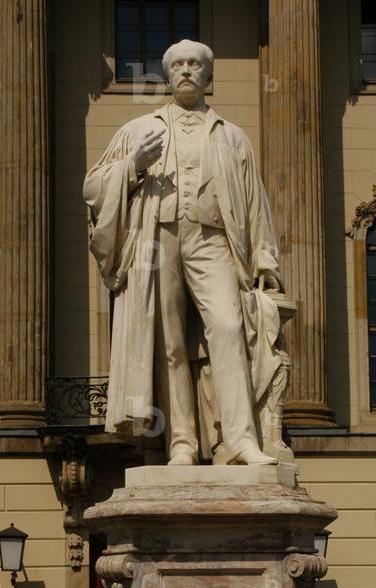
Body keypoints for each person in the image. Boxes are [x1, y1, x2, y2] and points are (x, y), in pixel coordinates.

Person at [84, 40, 286, 465]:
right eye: (178, 65)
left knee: (229, 329)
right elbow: (93, 189)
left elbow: (255, 202)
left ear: (209, 76)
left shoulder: (232, 136)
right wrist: (133, 165)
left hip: (213, 239)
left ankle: (240, 441)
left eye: (195, 64)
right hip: (158, 241)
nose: (187, 71)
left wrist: (265, 260)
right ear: (168, 74)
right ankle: (181, 444)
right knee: (171, 344)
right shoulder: (138, 131)